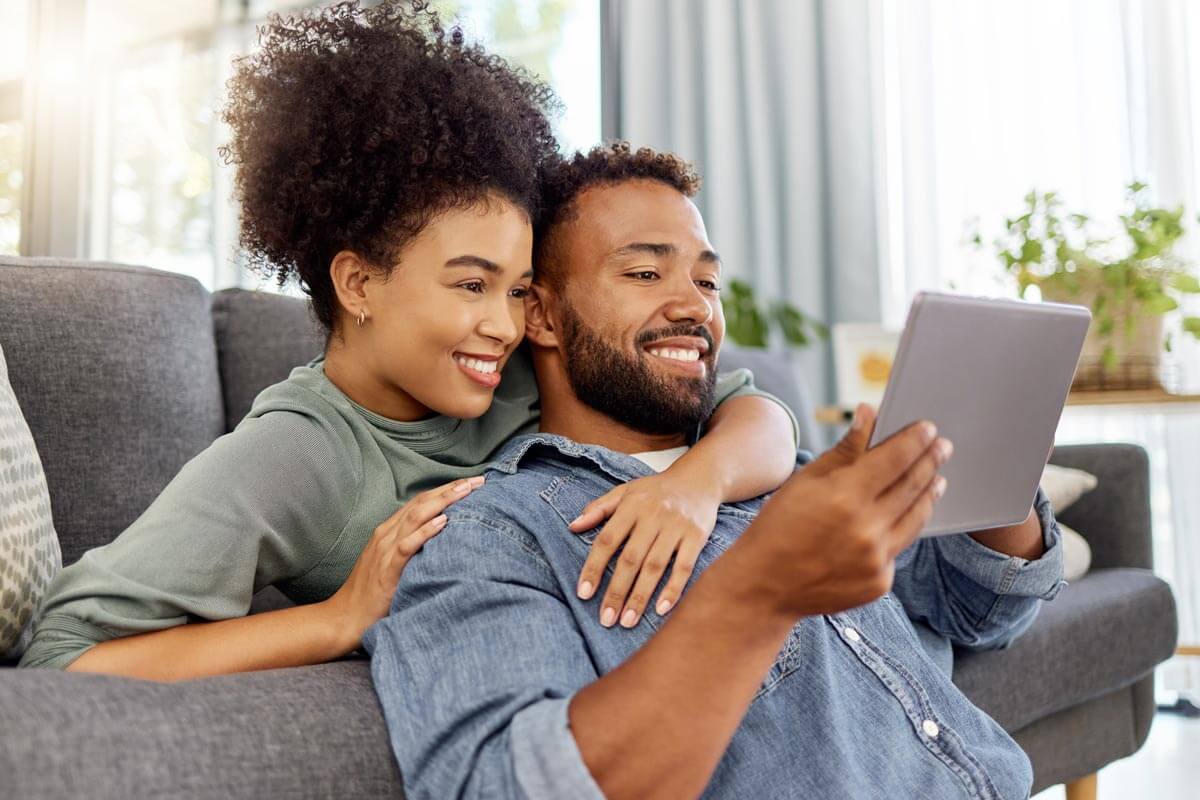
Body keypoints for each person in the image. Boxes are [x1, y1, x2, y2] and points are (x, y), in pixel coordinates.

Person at [17, 2, 799, 680]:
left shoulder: (522, 362)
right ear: (359, 285)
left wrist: (695, 485)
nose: (505, 323)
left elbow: (753, 411)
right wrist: (339, 618)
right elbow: (67, 653)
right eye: (470, 284)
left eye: (519, 288)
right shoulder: (298, 455)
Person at [363, 143, 1066, 799]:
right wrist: (757, 592)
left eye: (707, 278)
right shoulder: (497, 534)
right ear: (542, 316)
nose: (695, 305)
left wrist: (982, 450)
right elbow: (503, 784)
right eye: (644, 273)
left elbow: (979, 609)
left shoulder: (786, 477)